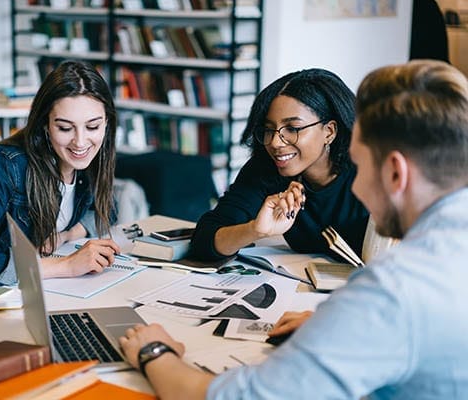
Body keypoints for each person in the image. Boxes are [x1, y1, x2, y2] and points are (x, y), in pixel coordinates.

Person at [119, 60, 468, 399]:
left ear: (395, 172)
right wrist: (342, 326)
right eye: (270, 130)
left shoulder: (391, 290)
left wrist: (154, 352)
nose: (357, 186)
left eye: (360, 167)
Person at [0, 61, 122, 285]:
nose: (80, 142)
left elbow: (107, 208)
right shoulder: (5, 167)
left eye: (92, 127)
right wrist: (67, 265)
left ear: (106, 123)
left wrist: (66, 236)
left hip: (38, 291)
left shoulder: (90, 159)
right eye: (64, 128)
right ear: (45, 125)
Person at [189, 68, 369, 262]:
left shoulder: (372, 172)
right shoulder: (267, 169)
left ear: (329, 131)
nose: (275, 142)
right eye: (269, 129)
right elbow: (203, 241)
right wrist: (254, 230)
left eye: (292, 128)